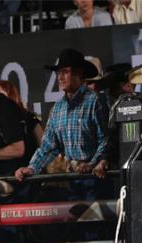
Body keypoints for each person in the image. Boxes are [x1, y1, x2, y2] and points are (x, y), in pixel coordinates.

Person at [15, 49, 109, 201]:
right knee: (74, 221)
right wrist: (32, 168)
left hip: (96, 176)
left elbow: (106, 138)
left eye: (65, 72)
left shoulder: (95, 101)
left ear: (79, 73)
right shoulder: (58, 108)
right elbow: (48, 146)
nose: (60, 77)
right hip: (72, 178)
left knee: (95, 221)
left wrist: (92, 163)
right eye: (58, 73)